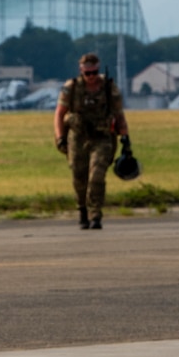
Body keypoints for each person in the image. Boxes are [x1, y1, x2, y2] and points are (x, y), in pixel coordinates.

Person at [54, 51, 128, 229]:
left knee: (97, 176)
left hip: (102, 138)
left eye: (94, 72)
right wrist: (60, 138)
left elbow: (119, 115)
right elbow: (59, 114)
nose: (91, 77)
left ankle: (95, 214)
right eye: (87, 73)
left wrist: (126, 139)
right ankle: (82, 210)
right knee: (79, 177)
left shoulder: (109, 88)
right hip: (77, 137)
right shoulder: (71, 87)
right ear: (81, 71)